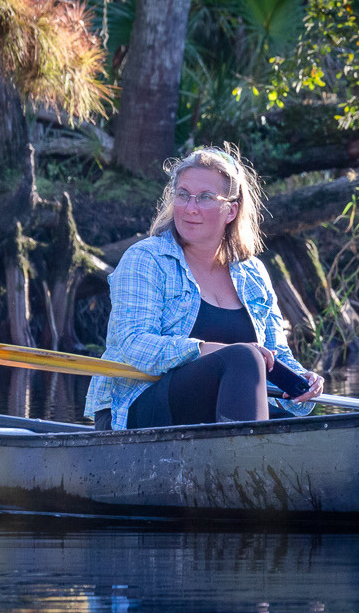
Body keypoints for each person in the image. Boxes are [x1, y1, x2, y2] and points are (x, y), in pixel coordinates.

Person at [83, 146, 324, 429]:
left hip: (224, 413)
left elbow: (275, 355)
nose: (190, 207)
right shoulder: (145, 258)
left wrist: (301, 381)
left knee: (310, 429)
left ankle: (249, 460)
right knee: (243, 356)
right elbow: (134, 344)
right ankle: (247, 467)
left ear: (231, 210)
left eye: (205, 197)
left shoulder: (254, 273)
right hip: (141, 406)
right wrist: (208, 349)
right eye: (183, 195)